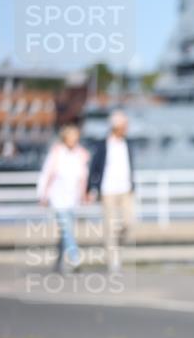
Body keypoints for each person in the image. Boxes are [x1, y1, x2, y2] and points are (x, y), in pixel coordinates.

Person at [87, 110, 135, 272]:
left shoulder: (127, 144)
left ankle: (117, 249)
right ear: (116, 126)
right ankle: (113, 260)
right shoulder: (103, 145)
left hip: (126, 190)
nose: (127, 128)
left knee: (128, 223)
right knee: (110, 226)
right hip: (108, 190)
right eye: (125, 125)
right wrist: (89, 188)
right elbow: (94, 167)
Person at [37, 124, 90, 273]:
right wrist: (43, 195)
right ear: (65, 138)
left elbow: (83, 177)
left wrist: (84, 194)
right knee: (67, 229)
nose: (74, 140)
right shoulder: (56, 153)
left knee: (65, 231)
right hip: (58, 197)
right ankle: (75, 258)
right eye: (71, 137)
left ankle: (58, 262)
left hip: (72, 198)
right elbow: (47, 173)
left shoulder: (80, 154)